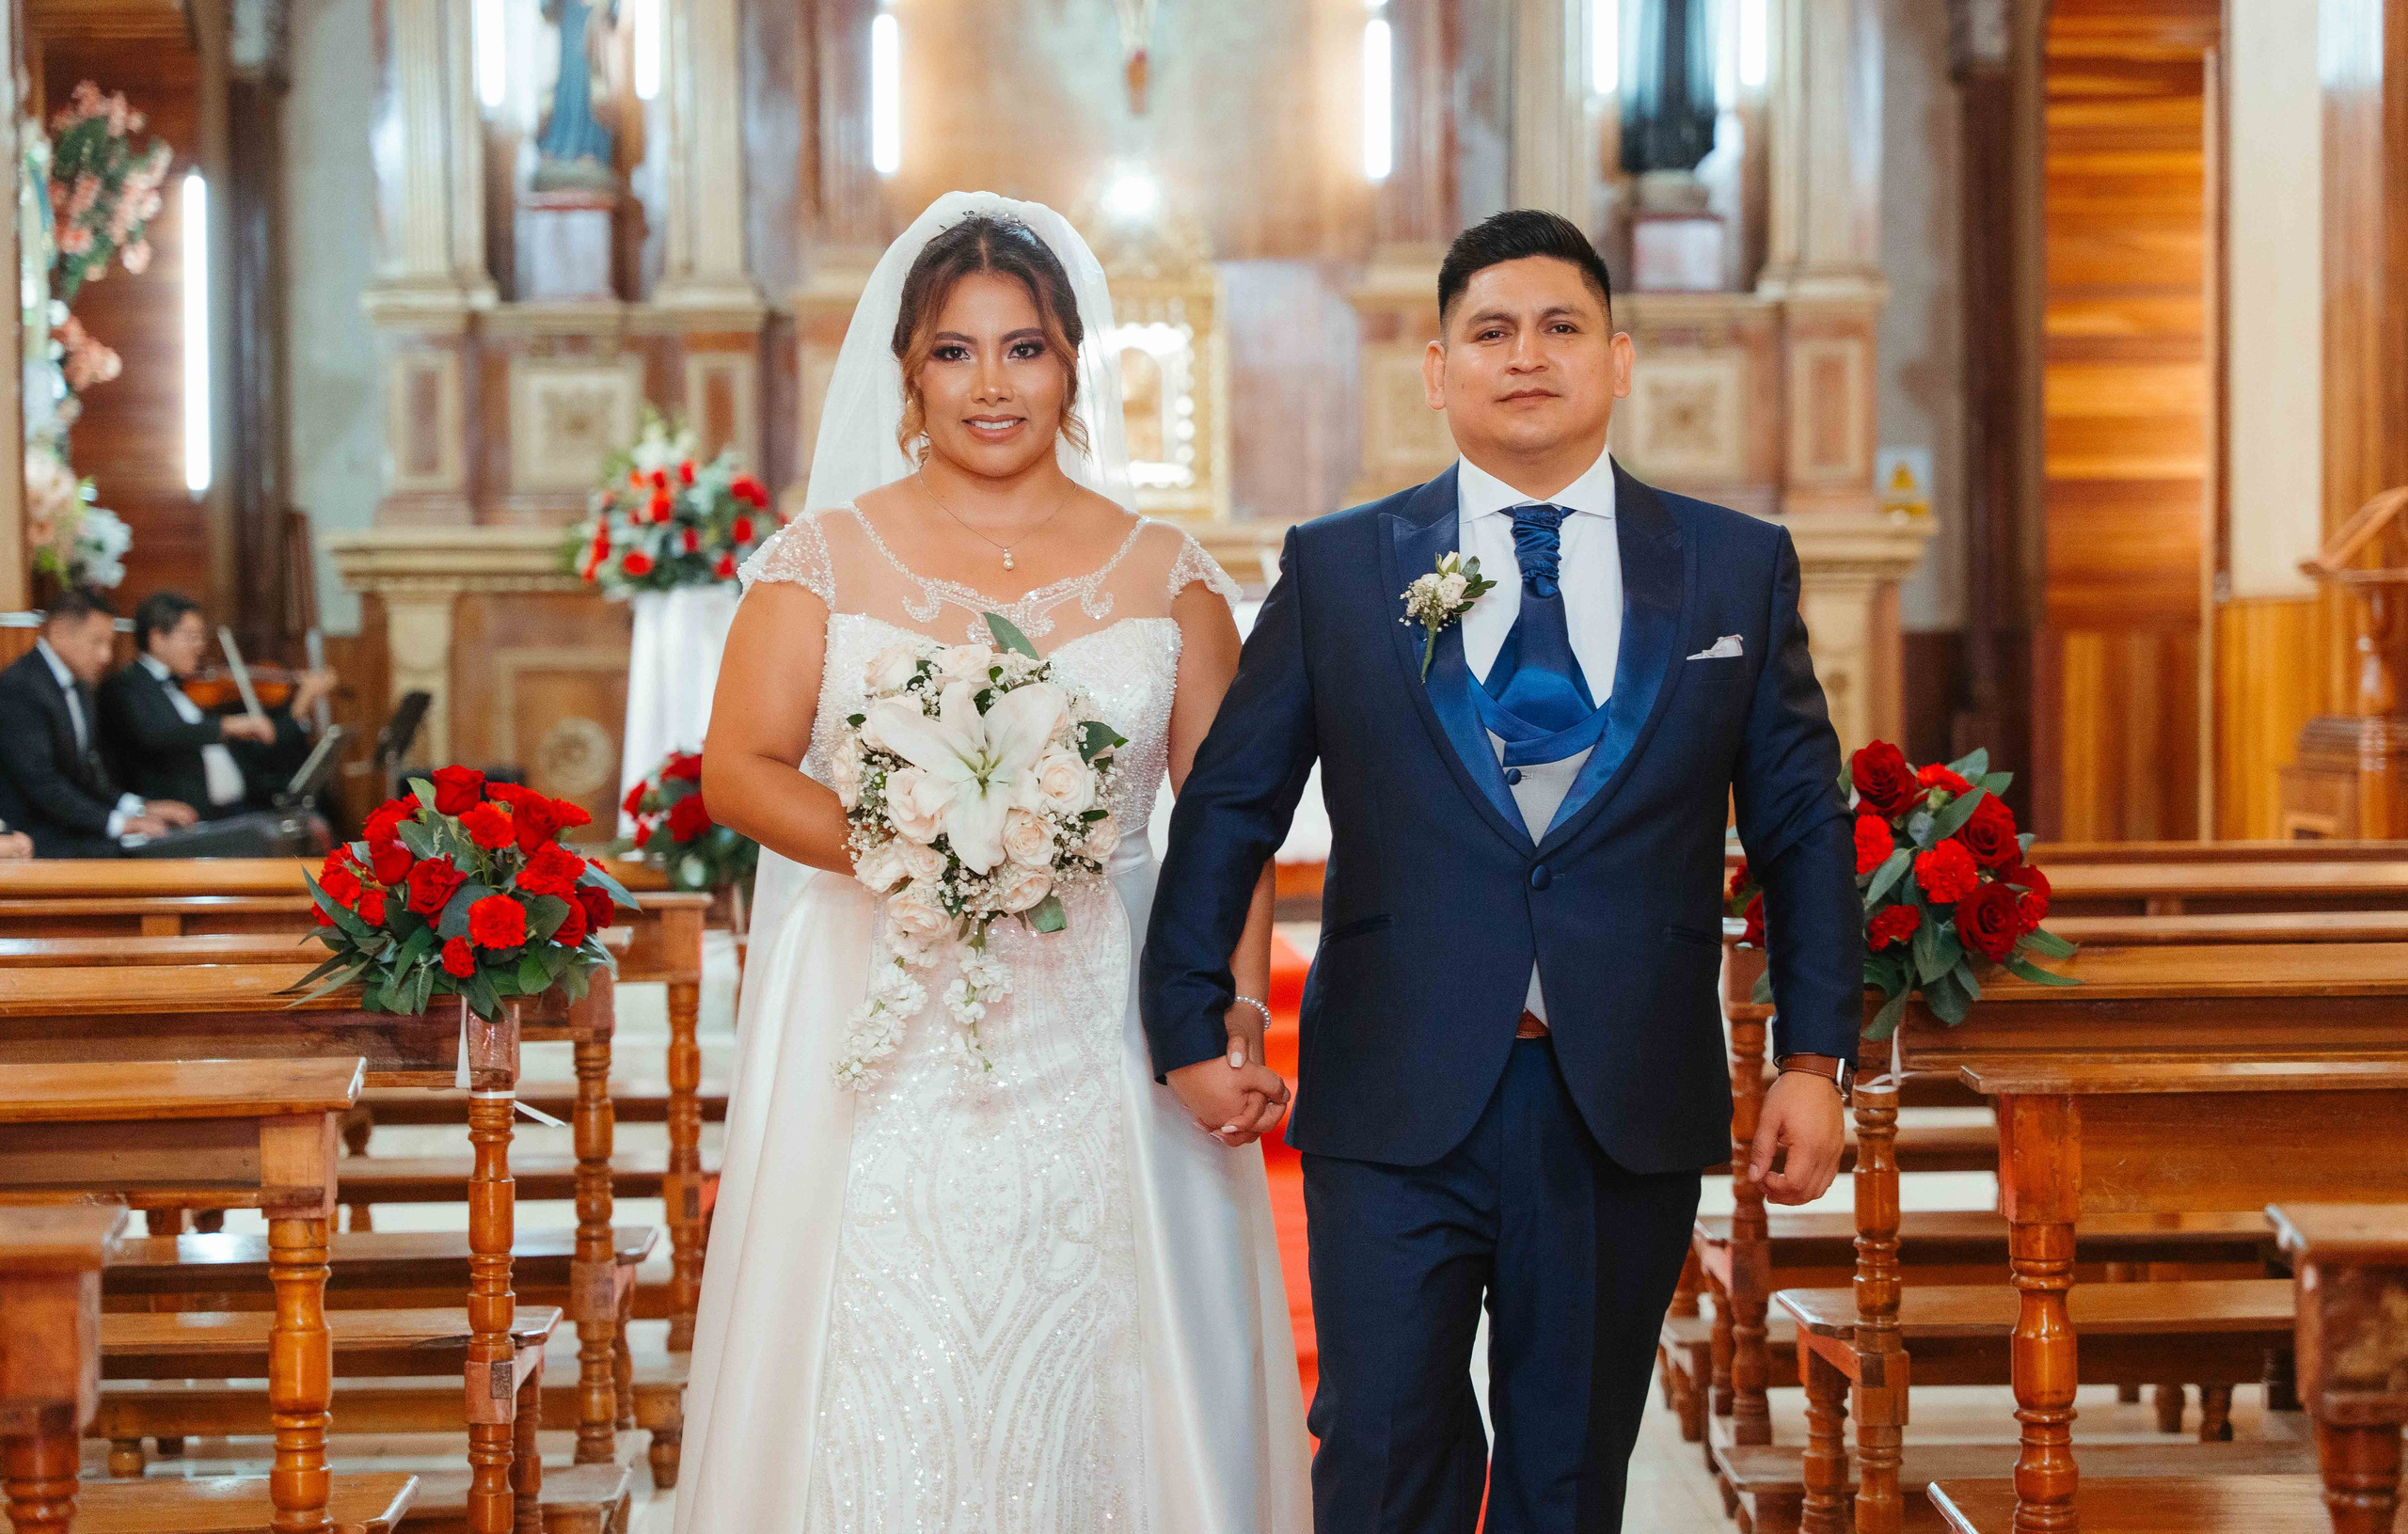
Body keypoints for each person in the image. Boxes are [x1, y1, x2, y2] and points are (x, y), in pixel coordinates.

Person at [1142, 209, 1861, 1532]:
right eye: (1490, 330)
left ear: (1619, 357)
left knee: (1567, 1471)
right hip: (1394, 1097)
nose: (1525, 355)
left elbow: (1805, 825)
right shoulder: (1345, 565)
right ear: (1437, 368)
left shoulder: (1732, 567)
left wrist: (1814, 1056)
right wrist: (1191, 1018)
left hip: (1619, 1095)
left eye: (1559, 326)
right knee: (1380, 1448)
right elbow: (1233, 801)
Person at [683, 193, 1311, 1531]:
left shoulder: (1168, 577)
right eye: (957, 351)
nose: (991, 383)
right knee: (884, 1318)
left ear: (1075, 363)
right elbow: (737, 766)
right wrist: (905, 837)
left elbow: (1230, 817)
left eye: (1023, 348)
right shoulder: (823, 560)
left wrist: (1235, 1009)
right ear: (908, 370)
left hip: (1105, 1001)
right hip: (882, 994)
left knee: (1094, 1325)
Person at [98, 591, 334, 818]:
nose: (200, 646)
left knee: (316, 809)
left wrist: (300, 704)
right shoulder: (125, 686)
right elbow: (159, 732)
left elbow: (259, 739)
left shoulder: (179, 689)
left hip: (234, 807)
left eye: (201, 637)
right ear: (158, 638)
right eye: (192, 637)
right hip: (188, 820)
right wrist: (227, 725)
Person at [0, 589, 198, 856]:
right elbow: (42, 785)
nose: (105, 656)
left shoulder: (78, 685)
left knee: (169, 845)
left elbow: (86, 777)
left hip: (72, 825)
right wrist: (118, 824)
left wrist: (140, 807)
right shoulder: (21, 686)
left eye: (109, 644)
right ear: (58, 632)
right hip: (32, 836)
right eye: (96, 643)